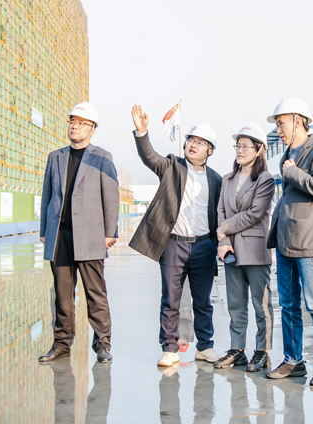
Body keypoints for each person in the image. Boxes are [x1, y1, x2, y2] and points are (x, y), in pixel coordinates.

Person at [129, 105, 223, 367]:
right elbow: (150, 157)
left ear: (210, 150)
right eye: (191, 140)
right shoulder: (171, 167)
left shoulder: (216, 180)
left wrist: (218, 243)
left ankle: (205, 347)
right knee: (170, 300)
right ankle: (170, 349)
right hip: (174, 245)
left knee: (203, 302)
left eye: (200, 142)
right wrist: (142, 132)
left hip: (204, 246)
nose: (193, 145)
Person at [264, 98, 313, 386]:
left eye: (281, 123)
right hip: (286, 240)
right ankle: (293, 360)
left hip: (307, 241)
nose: (279, 130)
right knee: (288, 304)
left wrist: (293, 172)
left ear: (298, 120)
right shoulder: (287, 155)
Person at [39, 102, 119, 364]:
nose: (75, 126)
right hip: (60, 236)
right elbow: (47, 195)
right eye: (72, 121)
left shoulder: (102, 157)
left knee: (95, 293)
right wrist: (45, 230)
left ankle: (103, 344)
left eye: (82, 123)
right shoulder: (56, 157)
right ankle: (62, 344)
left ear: (92, 129)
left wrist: (110, 231)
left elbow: (111, 196)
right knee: (62, 294)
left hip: (90, 235)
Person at [213, 124, 276, 372]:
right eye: (237, 146)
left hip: (255, 250)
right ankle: (237, 350)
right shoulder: (227, 179)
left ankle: (262, 352)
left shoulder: (265, 179)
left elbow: (255, 213)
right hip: (231, 251)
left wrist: (224, 228)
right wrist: (224, 241)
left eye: (246, 146)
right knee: (235, 304)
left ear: (259, 150)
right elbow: (220, 210)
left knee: (262, 305)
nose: (240, 150)